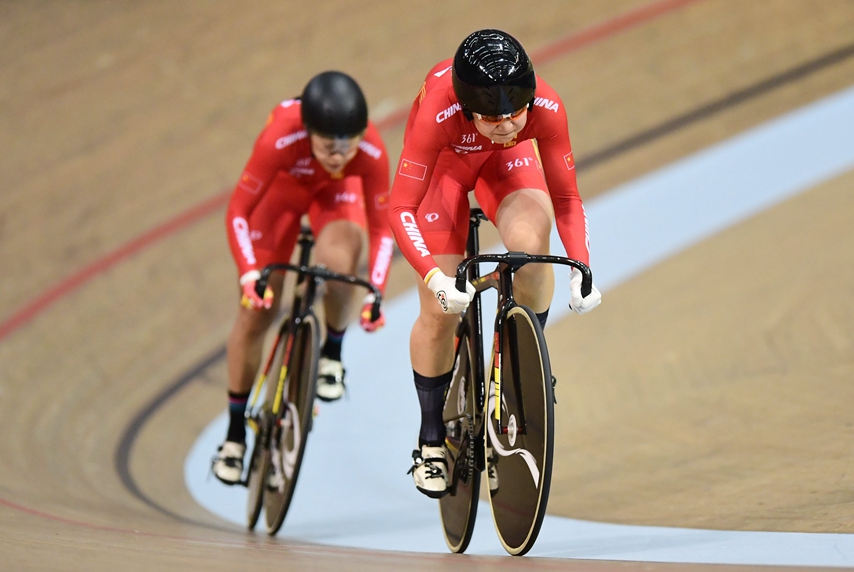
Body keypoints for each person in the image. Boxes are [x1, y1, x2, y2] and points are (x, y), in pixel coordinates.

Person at [388, 29, 602, 498]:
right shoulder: (438, 114)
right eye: (491, 117)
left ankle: (524, 357)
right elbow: (399, 207)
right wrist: (434, 277)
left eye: (514, 113)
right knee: (440, 311)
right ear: (467, 108)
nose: (506, 125)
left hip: (504, 167)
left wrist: (580, 268)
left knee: (529, 248)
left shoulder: (545, 106)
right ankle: (429, 438)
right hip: (445, 167)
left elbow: (566, 197)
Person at [212, 71, 393, 485]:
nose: (339, 155)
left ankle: (331, 352)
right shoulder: (280, 138)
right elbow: (238, 210)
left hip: (335, 196)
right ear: (309, 131)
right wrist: (249, 275)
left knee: (341, 268)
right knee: (259, 311)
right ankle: (235, 434)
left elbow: (382, 229)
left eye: (348, 145)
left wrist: (376, 292)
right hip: (284, 191)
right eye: (329, 146)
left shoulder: (368, 150)